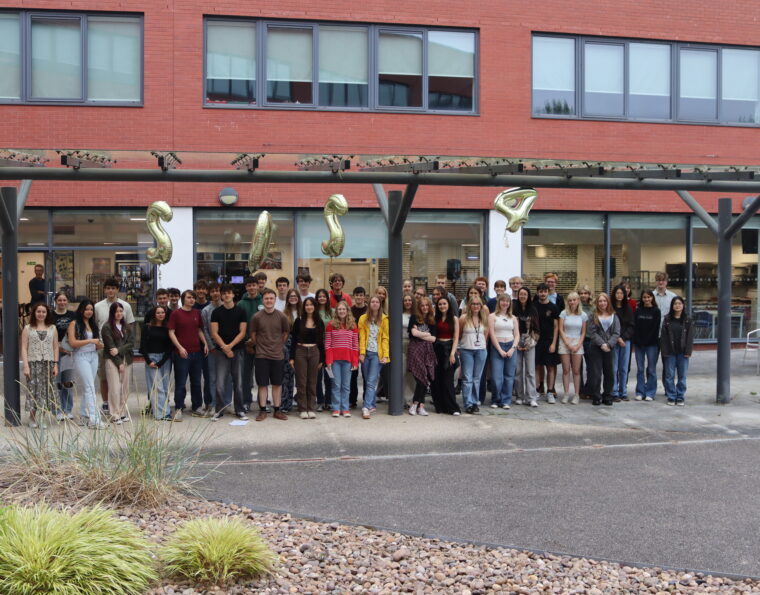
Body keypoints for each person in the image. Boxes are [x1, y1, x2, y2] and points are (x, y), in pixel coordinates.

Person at [95, 277, 135, 416]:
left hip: (121, 349)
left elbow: (130, 326)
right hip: (104, 348)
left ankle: (120, 408)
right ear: (104, 290)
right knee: (105, 378)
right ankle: (107, 403)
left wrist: (123, 348)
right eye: (108, 288)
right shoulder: (98, 306)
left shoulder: (125, 306)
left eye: (113, 288)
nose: (110, 291)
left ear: (117, 290)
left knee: (122, 382)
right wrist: (97, 343)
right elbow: (96, 326)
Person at [168, 290, 209, 420]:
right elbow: (171, 332)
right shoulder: (176, 314)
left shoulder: (197, 313)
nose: (192, 300)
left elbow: (199, 330)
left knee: (196, 381)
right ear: (183, 299)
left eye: (193, 298)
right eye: (189, 297)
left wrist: (205, 343)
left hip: (197, 353)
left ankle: (196, 407)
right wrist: (179, 348)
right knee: (180, 382)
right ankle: (179, 408)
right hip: (182, 354)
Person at [210, 283, 249, 421]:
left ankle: (240, 410)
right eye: (224, 293)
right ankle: (219, 410)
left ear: (233, 295)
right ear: (221, 295)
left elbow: (242, 332)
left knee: (238, 383)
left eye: (229, 293)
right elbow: (214, 333)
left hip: (237, 351)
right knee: (220, 383)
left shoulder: (241, 311)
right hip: (221, 352)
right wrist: (225, 348)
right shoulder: (216, 312)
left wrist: (230, 347)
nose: (226, 295)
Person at [251, 288, 291, 421]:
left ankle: (277, 410)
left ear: (275, 300)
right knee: (262, 384)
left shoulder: (282, 316)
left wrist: (279, 344)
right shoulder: (257, 317)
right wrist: (260, 346)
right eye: (266, 298)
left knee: (277, 384)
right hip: (261, 355)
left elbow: (285, 333)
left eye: (271, 298)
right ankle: (262, 410)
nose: (269, 301)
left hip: (277, 356)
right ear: (263, 300)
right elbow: (253, 334)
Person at [67, 300, 106, 429]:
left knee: (89, 387)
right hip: (81, 356)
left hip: (93, 355)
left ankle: (84, 416)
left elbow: (96, 343)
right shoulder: (74, 323)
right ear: (81, 310)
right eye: (87, 309)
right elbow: (72, 343)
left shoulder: (92, 324)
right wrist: (90, 340)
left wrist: (98, 344)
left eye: (91, 310)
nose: (89, 312)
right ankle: (94, 419)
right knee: (89, 387)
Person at [21, 302, 58, 428]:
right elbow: (24, 348)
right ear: (34, 313)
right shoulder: (28, 328)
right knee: (33, 390)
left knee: (45, 391)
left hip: (48, 364)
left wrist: (55, 364)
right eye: (38, 311)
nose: (41, 314)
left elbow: (55, 347)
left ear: (47, 313)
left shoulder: (52, 328)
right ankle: (32, 417)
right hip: (33, 364)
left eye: (43, 312)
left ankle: (42, 417)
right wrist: (26, 365)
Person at [290, 296, 324, 419]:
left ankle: (311, 408)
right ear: (304, 307)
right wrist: (291, 357)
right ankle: (302, 408)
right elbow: (293, 340)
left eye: (311, 305)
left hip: (315, 351)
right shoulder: (298, 320)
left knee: (312, 381)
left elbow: (321, 342)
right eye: (307, 305)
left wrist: (322, 359)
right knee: (301, 381)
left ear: (315, 307)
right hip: (300, 352)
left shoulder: (319, 321)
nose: (309, 307)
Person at [325, 301, 359, 417]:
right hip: (335, 361)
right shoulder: (331, 325)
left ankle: (345, 409)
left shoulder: (353, 325)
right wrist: (329, 360)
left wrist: (355, 361)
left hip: (348, 360)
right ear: (336, 311)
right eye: (339, 309)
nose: (341, 311)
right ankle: (335, 408)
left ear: (347, 310)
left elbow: (355, 345)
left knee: (346, 386)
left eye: (343, 309)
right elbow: (328, 344)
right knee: (336, 385)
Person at [101, 302, 134, 424]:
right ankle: (114, 414)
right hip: (112, 360)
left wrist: (119, 350)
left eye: (121, 311)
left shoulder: (127, 327)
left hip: (127, 359)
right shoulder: (107, 327)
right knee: (115, 387)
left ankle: (122, 412)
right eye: (116, 311)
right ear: (112, 313)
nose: (119, 313)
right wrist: (119, 363)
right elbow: (110, 348)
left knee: (124, 388)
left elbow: (131, 344)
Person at [586, 293, 620, 407]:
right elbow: (592, 332)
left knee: (609, 373)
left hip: (610, 348)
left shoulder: (614, 316)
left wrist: (609, 344)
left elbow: (616, 333)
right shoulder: (593, 315)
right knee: (596, 373)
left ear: (608, 302)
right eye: (600, 301)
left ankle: (607, 396)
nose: (602, 303)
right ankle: (596, 396)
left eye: (604, 301)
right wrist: (602, 344)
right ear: (597, 303)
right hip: (596, 348)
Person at [140, 305, 173, 420]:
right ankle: (161, 414)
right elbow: (142, 346)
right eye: (158, 313)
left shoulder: (168, 328)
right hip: (151, 359)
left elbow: (170, 347)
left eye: (162, 312)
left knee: (164, 386)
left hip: (164, 360)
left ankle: (164, 411)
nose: (160, 315)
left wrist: (162, 362)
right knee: (156, 387)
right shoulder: (147, 328)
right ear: (154, 314)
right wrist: (149, 361)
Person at [358, 295, 389, 419]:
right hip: (366, 353)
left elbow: (386, 338)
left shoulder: (385, 319)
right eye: (373, 302)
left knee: (371, 381)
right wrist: (361, 353)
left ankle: (365, 408)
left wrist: (386, 355)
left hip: (377, 354)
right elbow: (362, 337)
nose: (375, 304)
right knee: (367, 380)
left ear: (380, 305)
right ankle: (371, 404)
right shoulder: (363, 318)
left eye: (377, 302)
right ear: (369, 304)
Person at [660, 296, 694, 406]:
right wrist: (664, 351)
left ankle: (680, 396)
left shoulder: (688, 320)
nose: (677, 305)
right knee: (669, 375)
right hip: (670, 352)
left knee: (682, 375)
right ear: (672, 306)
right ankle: (671, 396)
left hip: (683, 352)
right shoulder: (667, 319)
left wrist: (688, 351)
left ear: (683, 305)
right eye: (675, 304)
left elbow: (690, 337)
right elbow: (664, 337)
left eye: (679, 303)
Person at [458, 296, 489, 414]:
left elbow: (486, 334)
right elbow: (459, 334)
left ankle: (475, 402)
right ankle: (468, 403)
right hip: (467, 350)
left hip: (481, 350)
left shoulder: (484, 318)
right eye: (473, 304)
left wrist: (482, 346)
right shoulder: (463, 318)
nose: (476, 306)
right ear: (469, 305)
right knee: (467, 378)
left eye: (478, 304)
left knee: (477, 378)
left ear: (481, 306)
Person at [407, 296, 437, 416]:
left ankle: (419, 406)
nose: (425, 307)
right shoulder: (414, 317)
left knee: (426, 376)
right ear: (419, 307)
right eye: (422, 305)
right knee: (421, 377)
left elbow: (434, 338)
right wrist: (427, 333)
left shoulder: (432, 320)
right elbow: (413, 333)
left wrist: (420, 334)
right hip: (415, 349)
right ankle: (415, 405)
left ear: (429, 307)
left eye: (427, 305)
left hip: (428, 350)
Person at [488, 293, 519, 409]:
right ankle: (496, 399)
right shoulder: (492, 316)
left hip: (510, 346)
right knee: (496, 377)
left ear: (510, 303)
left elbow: (517, 335)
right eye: (503, 301)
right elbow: (491, 334)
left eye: (507, 301)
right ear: (499, 302)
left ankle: (506, 400)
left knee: (509, 376)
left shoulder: (513, 318)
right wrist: (500, 349)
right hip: (498, 346)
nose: (505, 303)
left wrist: (513, 348)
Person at [432, 296, 461, 415]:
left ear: (448, 305)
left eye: (444, 304)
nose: (442, 306)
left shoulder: (454, 318)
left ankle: (452, 408)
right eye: (440, 304)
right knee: (437, 380)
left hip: (449, 349)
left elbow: (456, 338)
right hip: (437, 349)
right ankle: (440, 406)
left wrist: (452, 354)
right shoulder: (435, 318)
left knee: (448, 381)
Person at [238, 276, 263, 411]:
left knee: (262, 375)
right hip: (245, 345)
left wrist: (256, 340)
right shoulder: (241, 304)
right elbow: (239, 325)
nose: (252, 288)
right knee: (246, 375)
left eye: (254, 285)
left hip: (262, 345)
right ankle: (246, 400)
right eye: (249, 285)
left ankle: (262, 401)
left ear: (258, 286)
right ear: (246, 287)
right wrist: (247, 341)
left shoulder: (264, 301)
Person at [558, 291, 587, 404]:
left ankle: (576, 395)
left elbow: (583, 332)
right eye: (570, 300)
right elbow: (561, 329)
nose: (572, 302)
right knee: (566, 370)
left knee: (576, 371)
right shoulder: (563, 313)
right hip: (565, 342)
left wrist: (578, 345)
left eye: (574, 299)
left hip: (577, 343)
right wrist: (567, 343)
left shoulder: (583, 315)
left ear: (578, 301)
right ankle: (566, 394)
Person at [513, 287, 539, 407]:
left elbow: (537, 329)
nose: (522, 296)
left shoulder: (533, 309)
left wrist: (531, 343)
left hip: (530, 340)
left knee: (530, 371)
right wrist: (515, 343)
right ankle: (519, 396)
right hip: (516, 340)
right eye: (520, 294)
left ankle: (531, 397)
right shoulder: (513, 308)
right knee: (518, 371)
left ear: (528, 296)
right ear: (518, 295)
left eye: (525, 294)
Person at [633, 289, 661, 402]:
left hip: (652, 344)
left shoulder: (656, 311)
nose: (647, 299)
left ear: (652, 298)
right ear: (642, 298)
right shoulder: (638, 310)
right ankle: (640, 392)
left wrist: (647, 341)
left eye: (649, 297)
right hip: (639, 344)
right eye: (644, 297)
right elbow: (635, 327)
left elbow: (655, 328)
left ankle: (650, 392)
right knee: (640, 369)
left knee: (651, 369)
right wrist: (639, 340)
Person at [534, 283, 560, 403]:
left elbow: (556, 327)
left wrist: (554, 343)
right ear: (537, 292)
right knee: (538, 366)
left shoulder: (553, 307)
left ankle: (550, 391)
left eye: (545, 291)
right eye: (540, 291)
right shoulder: (533, 306)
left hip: (549, 341)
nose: (542, 294)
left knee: (550, 367)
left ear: (548, 292)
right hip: (536, 341)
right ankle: (538, 390)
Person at [52, 292, 75, 421]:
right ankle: (58, 409)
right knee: (57, 382)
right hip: (55, 352)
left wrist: (70, 347)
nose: (62, 302)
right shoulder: (50, 315)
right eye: (59, 300)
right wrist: (58, 347)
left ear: (67, 301)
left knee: (68, 382)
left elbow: (76, 332)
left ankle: (68, 409)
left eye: (64, 300)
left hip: (69, 352)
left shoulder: (72, 315)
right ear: (55, 301)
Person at [611, 285, 634, 402]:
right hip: (613, 342)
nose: (619, 295)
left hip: (625, 342)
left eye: (621, 293)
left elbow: (631, 326)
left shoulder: (628, 308)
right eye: (617, 293)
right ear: (614, 294)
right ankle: (614, 392)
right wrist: (617, 338)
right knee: (614, 368)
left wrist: (623, 338)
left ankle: (623, 392)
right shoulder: (610, 309)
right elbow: (608, 326)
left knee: (624, 368)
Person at [280, 288, 301, 412]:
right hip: (287, 345)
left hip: (301, 345)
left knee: (301, 376)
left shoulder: (303, 312)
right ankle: (285, 403)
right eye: (291, 296)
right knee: (286, 376)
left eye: (295, 296)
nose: (293, 298)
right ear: (287, 299)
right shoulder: (283, 314)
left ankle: (300, 402)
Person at [315, 288, 333, 410]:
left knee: (329, 375)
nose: (321, 298)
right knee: (317, 376)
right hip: (317, 346)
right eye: (319, 296)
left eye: (324, 296)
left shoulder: (332, 312)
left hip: (330, 347)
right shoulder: (313, 312)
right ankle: (320, 401)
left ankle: (329, 401)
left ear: (327, 298)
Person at [350, 287, 368, 409]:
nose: (359, 297)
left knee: (367, 375)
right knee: (353, 374)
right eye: (357, 295)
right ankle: (352, 400)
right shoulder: (350, 311)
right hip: (353, 346)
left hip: (366, 345)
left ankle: (367, 400)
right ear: (354, 296)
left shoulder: (369, 310)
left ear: (364, 297)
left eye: (361, 295)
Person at [401, 292, 416, 403]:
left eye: (409, 300)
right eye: (405, 300)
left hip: (413, 344)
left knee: (411, 373)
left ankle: (410, 398)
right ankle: (400, 398)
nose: (407, 302)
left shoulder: (416, 314)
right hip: (401, 344)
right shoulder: (399, 314)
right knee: (401, 371)